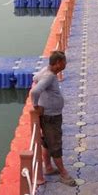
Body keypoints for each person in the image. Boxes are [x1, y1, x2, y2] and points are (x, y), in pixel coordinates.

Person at [31, 51, 76, 187]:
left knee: (47, 143)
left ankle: (49, 168)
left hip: (51, 115)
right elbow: (35, 91)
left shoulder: (45, 71)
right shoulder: (49, 76)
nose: (65, 65)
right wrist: (36, 106)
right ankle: (63, 173)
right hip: (51, 117)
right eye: (64, 62)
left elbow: (35, 78)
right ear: (57, 63)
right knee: (55, 144)